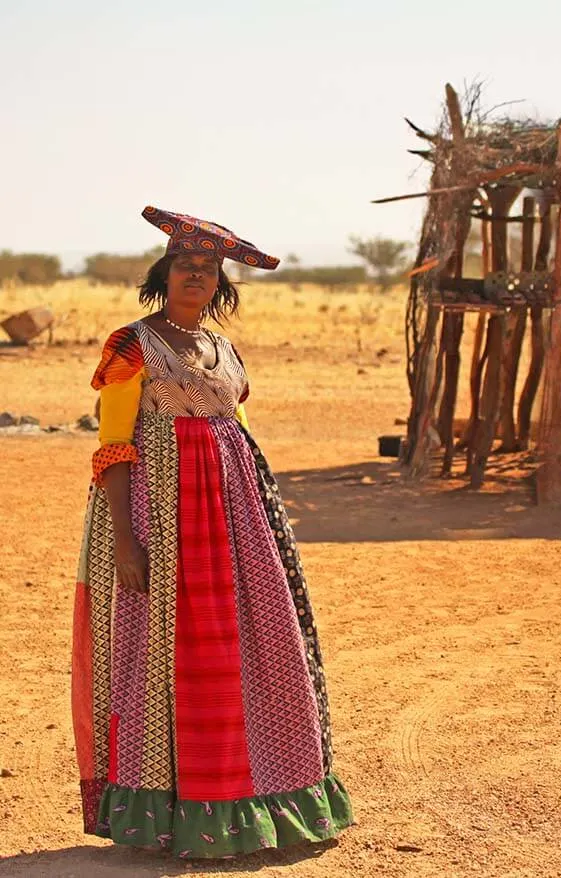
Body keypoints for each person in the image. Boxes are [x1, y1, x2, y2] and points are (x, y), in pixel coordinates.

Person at [71, 206, 353, 860]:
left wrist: (265, 528)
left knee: (249, 645)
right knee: (163, 651)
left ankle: (258, 794)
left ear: (220, 284)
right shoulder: (132, 344)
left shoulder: (225, 351)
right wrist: (123, 539)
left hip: (232, 520)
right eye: (183, 266)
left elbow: (239, 434)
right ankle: (171, 808)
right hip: (156, 514)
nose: (194, 276)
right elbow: (113, 443)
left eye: (207, 269)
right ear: (162, 274)